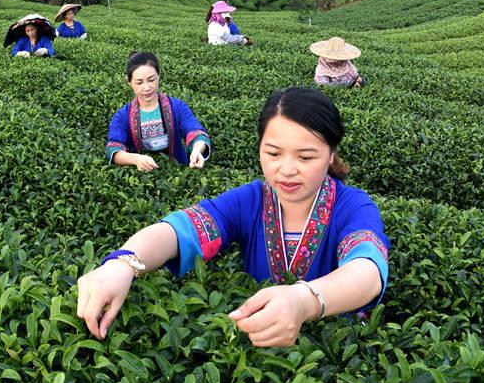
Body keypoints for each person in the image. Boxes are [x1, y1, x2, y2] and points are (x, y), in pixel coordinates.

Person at [78, 87, 390, 346]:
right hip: (254, 351)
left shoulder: (354, 206)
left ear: (332, 154)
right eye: (273, 153)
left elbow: (367, 271)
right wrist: (123, 263)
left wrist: (303, 301)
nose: (287, 169)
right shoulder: (251, 200)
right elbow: (180, 230)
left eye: (306, 157)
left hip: (334, 357)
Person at [106, 52, 211, 170]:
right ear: (129, 82)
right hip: (142, 178)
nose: (146, 87)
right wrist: (136, 159)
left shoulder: (177, 107)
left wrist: (197, 150)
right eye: (139, 82)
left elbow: (196, 133)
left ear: (159, 75)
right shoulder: (123, 116)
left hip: (176, 170)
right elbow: (113, 149)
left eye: (151, 80)